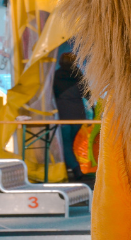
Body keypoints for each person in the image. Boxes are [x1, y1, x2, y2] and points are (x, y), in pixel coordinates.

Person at [52, 52, 87, 181]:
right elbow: (87, 94)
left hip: (63, 114)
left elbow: (52, 94)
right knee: (72, 143)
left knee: (65, 143)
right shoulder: (78, 74)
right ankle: (73, 168)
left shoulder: (56, 75)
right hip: (79, 114)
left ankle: (75, 169)